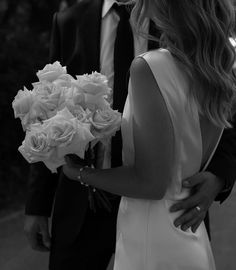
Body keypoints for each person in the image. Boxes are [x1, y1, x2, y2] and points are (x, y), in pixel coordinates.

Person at [24, 0, 236, 269]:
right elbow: (48, 113)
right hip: (94, 213)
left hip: (152, 221)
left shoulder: (157, 55)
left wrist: (220, 176)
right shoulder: (212, 62)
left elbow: (152, 182)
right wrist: (37, 205)